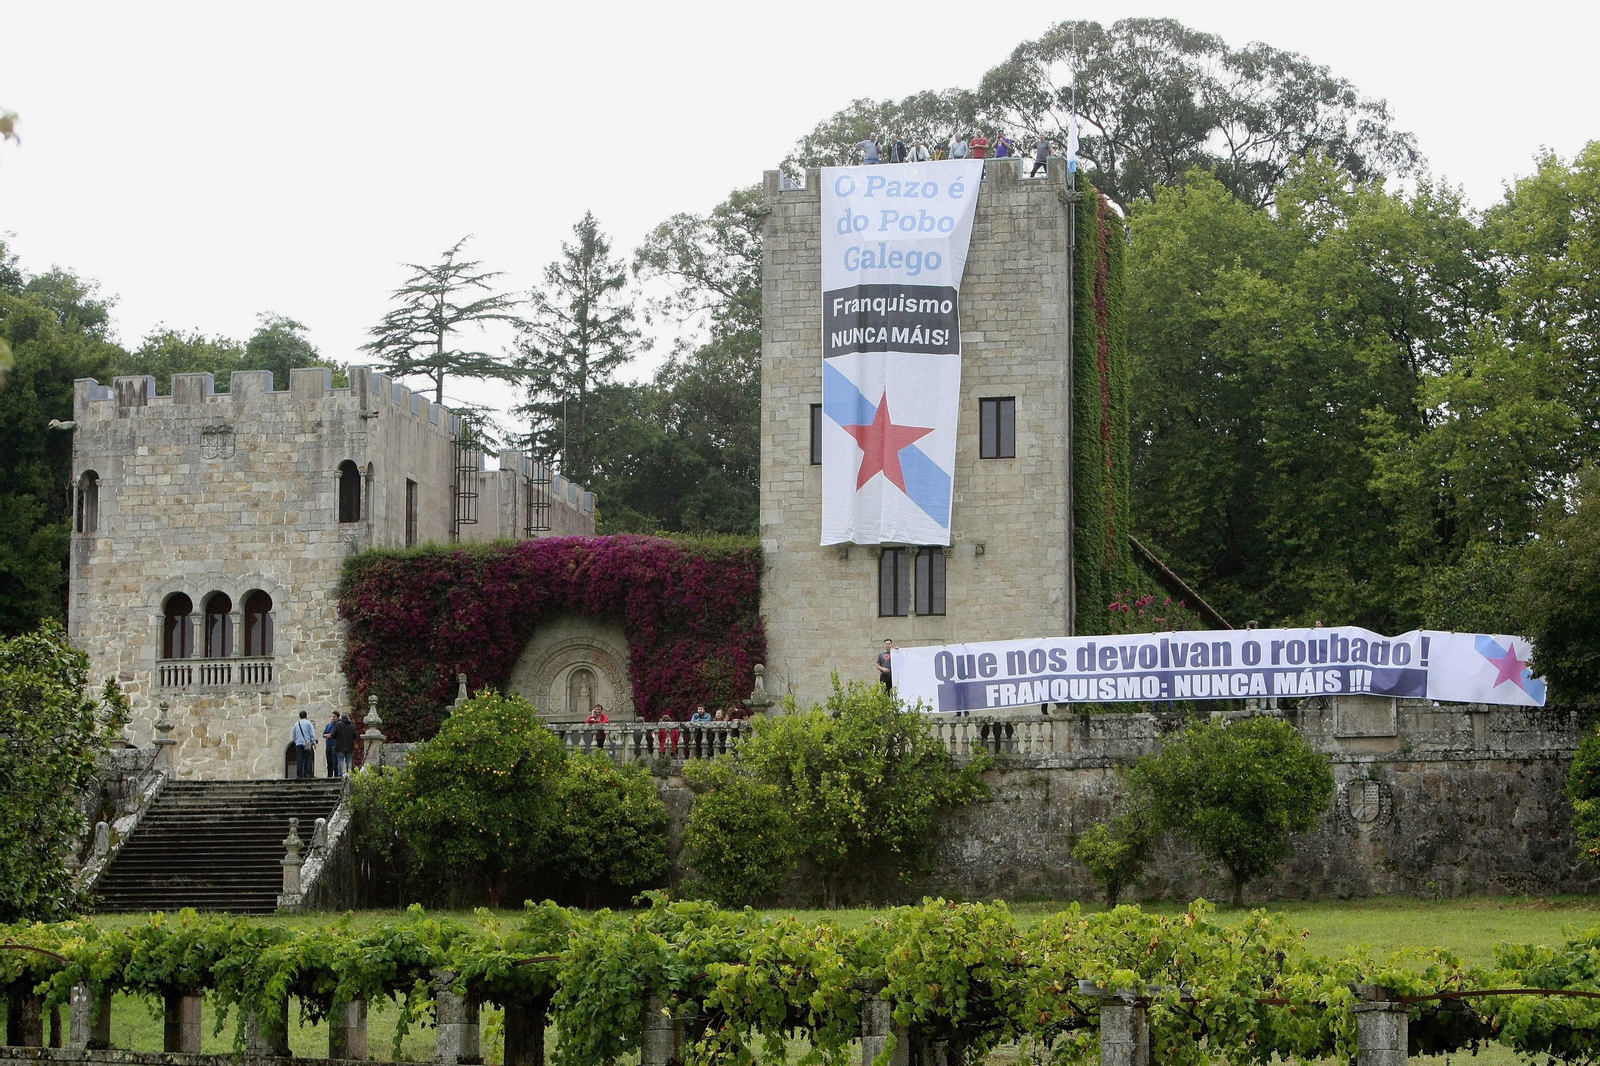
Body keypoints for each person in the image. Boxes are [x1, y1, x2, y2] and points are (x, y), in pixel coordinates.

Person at [292, 710, 317, 780]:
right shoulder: (309, 723)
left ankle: (299, 774)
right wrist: (314, 742)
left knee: (299, 759)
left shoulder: (296, 724)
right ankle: (309, 773)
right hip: (307, 743)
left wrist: (296, 741)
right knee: (308, 758)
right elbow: (312, 734)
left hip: (299, 744)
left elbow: (293, 735)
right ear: (306, 715)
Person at [333, 711, 357, 776]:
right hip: (349, 746)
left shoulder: (338, 724)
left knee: (340, 761)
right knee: (349, 760)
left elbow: (334, 734)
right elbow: (355, 736)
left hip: (340, 746)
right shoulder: (351, 725)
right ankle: (349, 774)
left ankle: (340, 775)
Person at [322, 709, 339, 778]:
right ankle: (329, 775)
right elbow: (323, 734)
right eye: (332, 716)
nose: (332, 718)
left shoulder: (338, 725)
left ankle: (336, 775)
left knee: (335, 762)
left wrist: (331, 735)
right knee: (329, 761)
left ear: (337, 717)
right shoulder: (328, 725)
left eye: (334, 716)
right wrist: (326, 735)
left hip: (334, 744)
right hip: (328, 744)